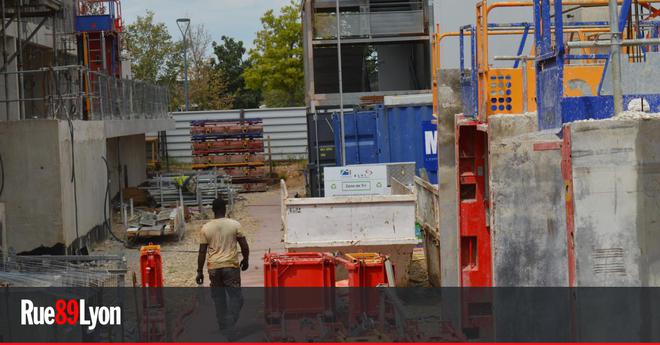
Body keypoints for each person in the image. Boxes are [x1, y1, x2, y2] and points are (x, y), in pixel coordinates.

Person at [196, 197, 250, 330]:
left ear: (213, 210)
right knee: (236, 298)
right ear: (225, 209)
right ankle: (231, 319)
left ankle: (223, 325)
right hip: (231, 267)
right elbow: (244, 245)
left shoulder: (205, 228)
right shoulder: (235, 224)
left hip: (213, 269)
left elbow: (202, 252)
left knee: (219, 299)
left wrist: (199, 271)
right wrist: (246, 259)